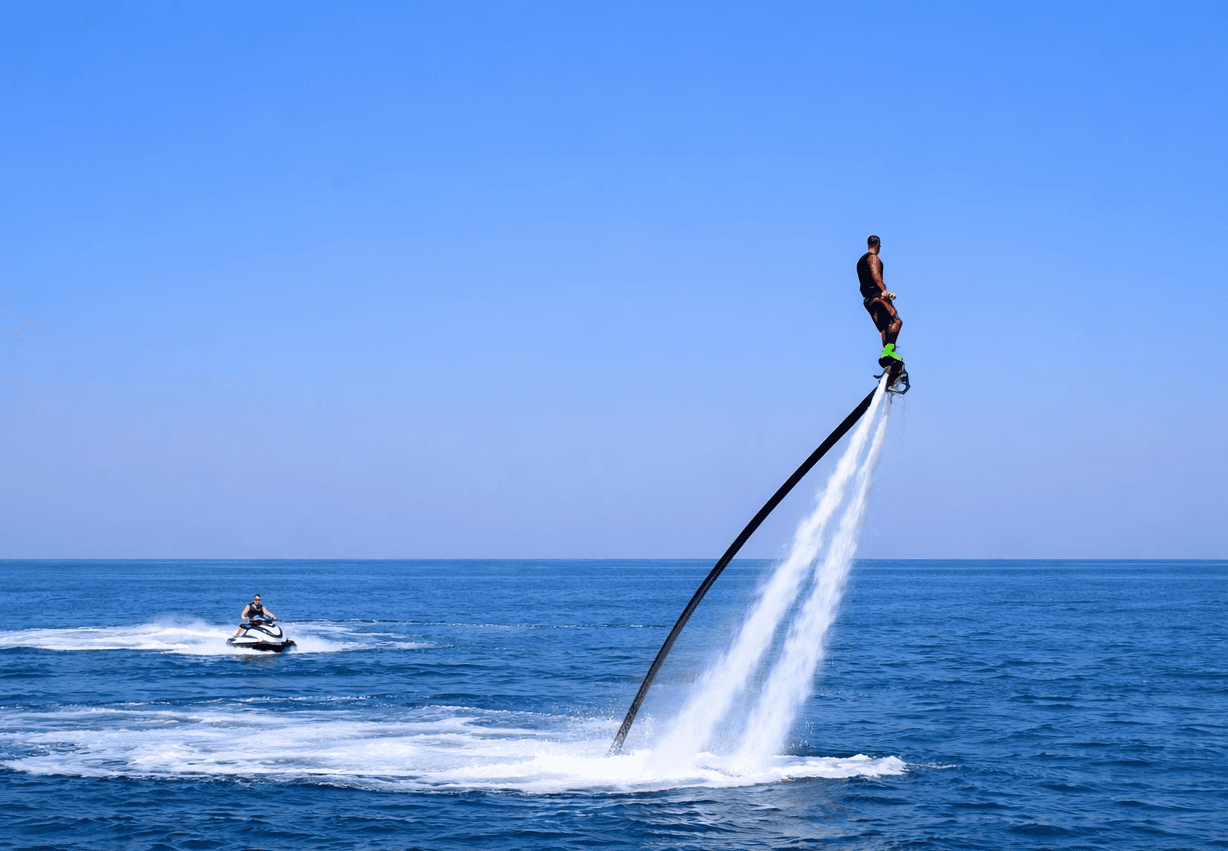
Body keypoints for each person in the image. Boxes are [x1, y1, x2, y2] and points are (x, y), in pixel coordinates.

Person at [856, 234, 903, 364]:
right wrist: (883, 291)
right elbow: (875, 274)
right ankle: (888, 351)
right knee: (896, 320)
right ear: (877, 245)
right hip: (878, 296)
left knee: (884, 328)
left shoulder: (860, 261)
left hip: (868, 300)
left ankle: (886, 356)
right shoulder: (873, 258)